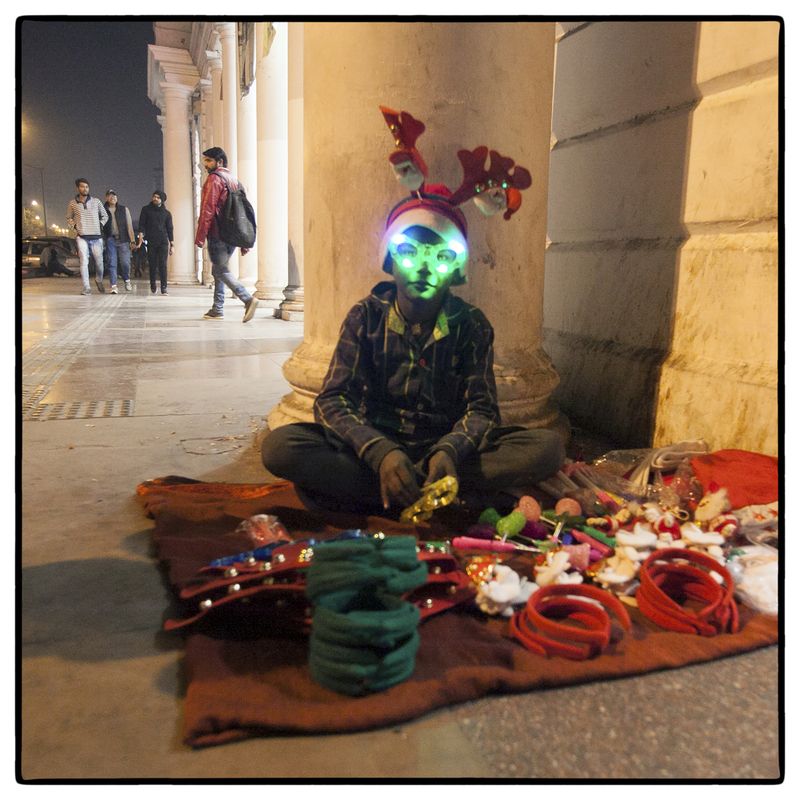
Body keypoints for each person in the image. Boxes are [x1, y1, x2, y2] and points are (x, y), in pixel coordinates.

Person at [261, 195, 564, 516]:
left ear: (456, 268)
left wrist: (449, 450)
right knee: (281, 447)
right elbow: (332, 401)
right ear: (390, 259)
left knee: (547, 448)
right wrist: (380, 453)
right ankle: (431, 492)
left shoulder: (472, 325)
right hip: (373, 446)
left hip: (445, 450)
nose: (423, 267)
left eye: (442, 257)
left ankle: (391, 491)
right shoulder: (365, 317)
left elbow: (483, 411)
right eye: (409, 252)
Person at [194, 146, 258, 322]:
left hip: (218, 232)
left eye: (208, 161)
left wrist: (200, 236)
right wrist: (243, 240)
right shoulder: (236, 181)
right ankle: (217, 308)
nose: (205, 165)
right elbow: (244, 212)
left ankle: (247, 299)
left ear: (219, 161)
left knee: (220, 270)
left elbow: (208, 208)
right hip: (231, 234)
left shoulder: (214, 180)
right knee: (218, 270)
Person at [66, 178, 108, 295]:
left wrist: (100, 225)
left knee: (99, 263)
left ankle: (99, 279)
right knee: (84, 261)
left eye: (87, 187)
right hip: (82, 237)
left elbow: (105, 216)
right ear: (78, 188)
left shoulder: (96, 201)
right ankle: (86, 287)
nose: (85, 189)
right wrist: (74, 227)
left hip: (96, 237)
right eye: (82, 186)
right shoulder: (72, 203)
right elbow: (68, 218)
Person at [137, 191, 173, 294]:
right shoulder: (146, 210)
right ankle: (152, 283)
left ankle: (164, 286)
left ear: (162, 199)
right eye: (154, 196)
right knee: (152, 264)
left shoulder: (167, 214)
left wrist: (172, 244)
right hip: (151, 241)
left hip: (163, 242)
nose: (155, 199)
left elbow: (170, 229)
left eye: (158, 197)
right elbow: (142, 225)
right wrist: (141, 237)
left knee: (163, 264)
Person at [102, 190, 136, 293]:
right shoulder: (103, 210)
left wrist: (132, 240)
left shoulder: (124, 209)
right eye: (110, 196)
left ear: (117, 198)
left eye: (114, 195)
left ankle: (127, 280)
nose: (113, 197)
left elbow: (129, 225)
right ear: (106, 198)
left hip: (123, 239)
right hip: (110, 239)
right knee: (112, 263)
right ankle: (114, 286)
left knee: (125, 263)